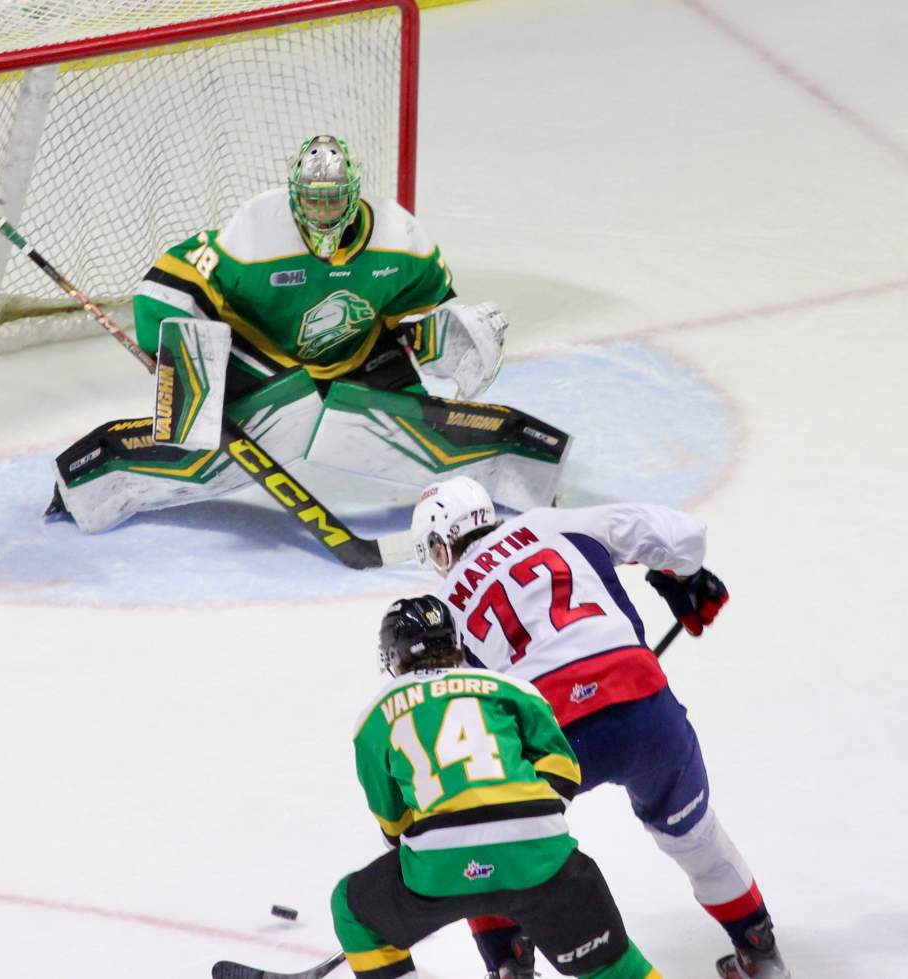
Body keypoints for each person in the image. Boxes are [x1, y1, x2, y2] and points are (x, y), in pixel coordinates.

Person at [45, 135, 568, 534]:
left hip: (358, 364)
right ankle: (89, 483)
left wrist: (463, 338)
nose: (322, 211)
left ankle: (519, 470)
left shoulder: (401, 239)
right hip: (263, 368)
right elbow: (166, 286)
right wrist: (180, 361)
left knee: (434, 420)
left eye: (333, 200)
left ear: (354, 194)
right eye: (313, 200)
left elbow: (436, 312)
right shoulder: (255, 230)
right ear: (295, 195)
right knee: (207, 450)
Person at [409, 476, 791, 979]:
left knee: (490, 846)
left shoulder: (445, 605)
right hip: (644, 706)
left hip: (551, 734)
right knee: (693, 835)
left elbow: (454, 720)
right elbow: (683, 535)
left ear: (439, 546)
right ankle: (760, 953)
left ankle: (510, 967)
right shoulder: (554, 525)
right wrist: (684, 577)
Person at [331, 595, 660, 979]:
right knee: (614, 967)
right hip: (539, 853)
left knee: (352, 910)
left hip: (441, 865)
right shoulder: (511, 688)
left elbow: (394, 825)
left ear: (394, 654)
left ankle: (506, 956)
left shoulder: (376, 713)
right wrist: (516, 822)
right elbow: (564, 771)